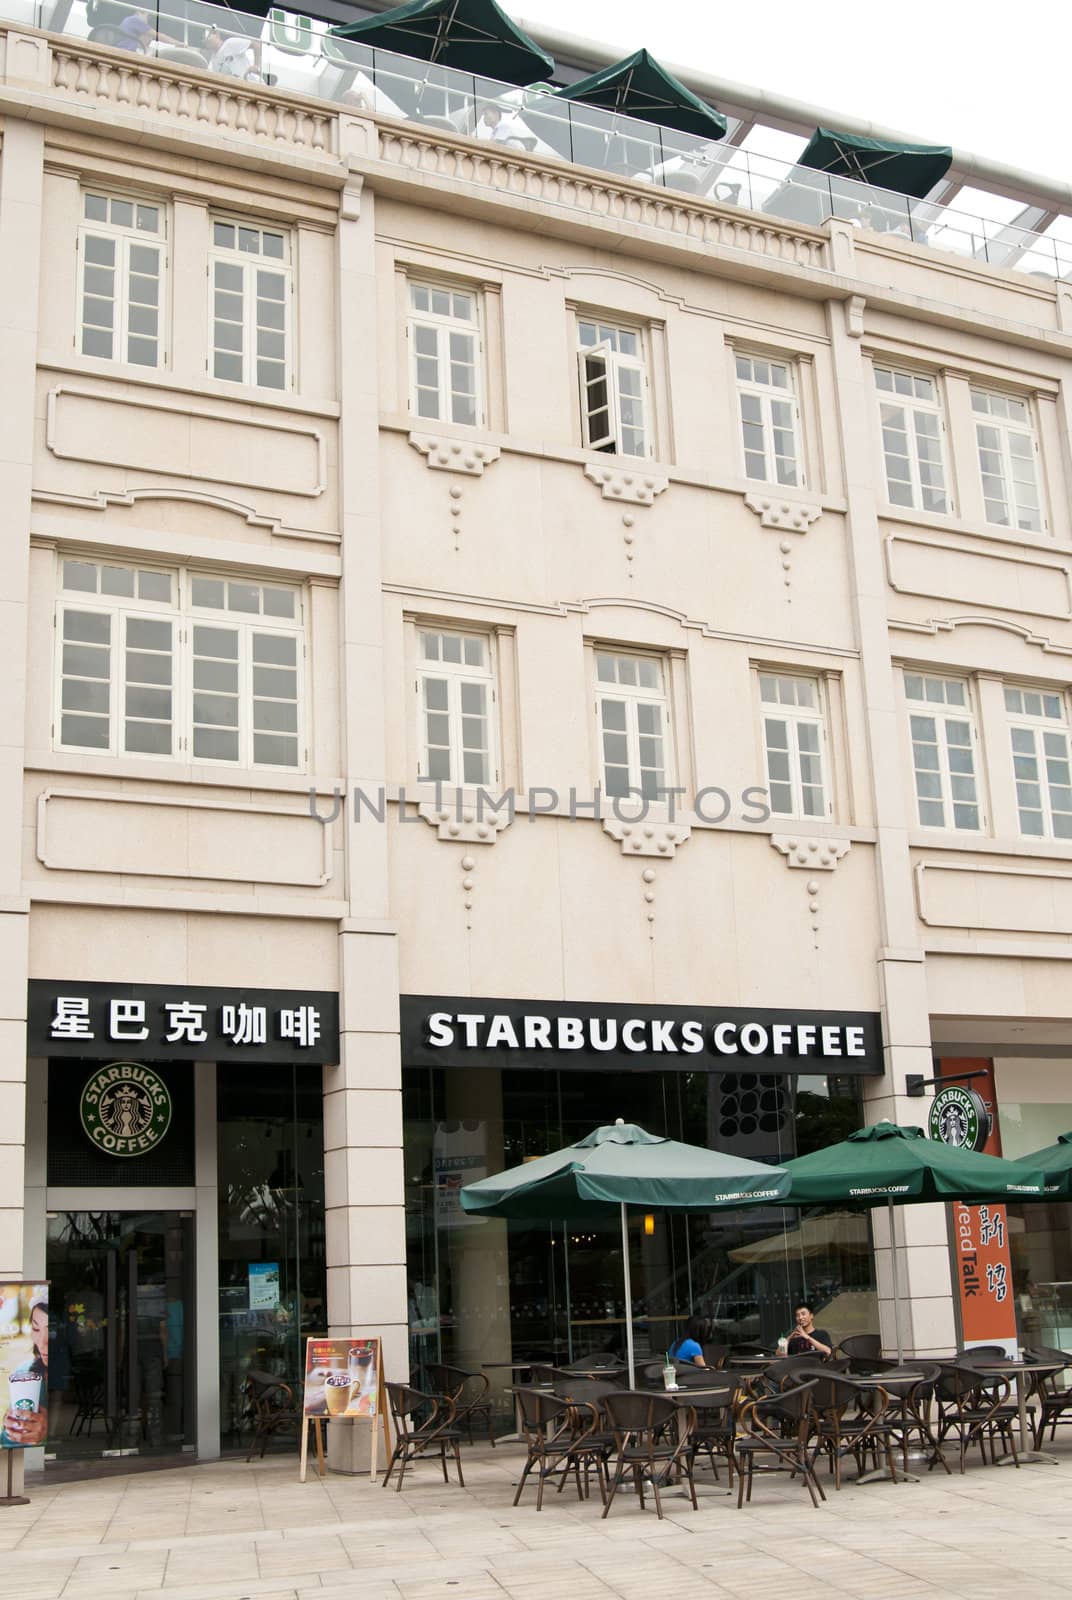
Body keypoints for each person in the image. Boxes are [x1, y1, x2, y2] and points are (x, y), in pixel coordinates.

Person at [1, 1301, 48, 1448]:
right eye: (36, 1328)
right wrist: (10, 1430)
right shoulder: (24, 1373)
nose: (42, 1343)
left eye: (51, 1330)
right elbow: (8, 1442)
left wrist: (47, 1431)